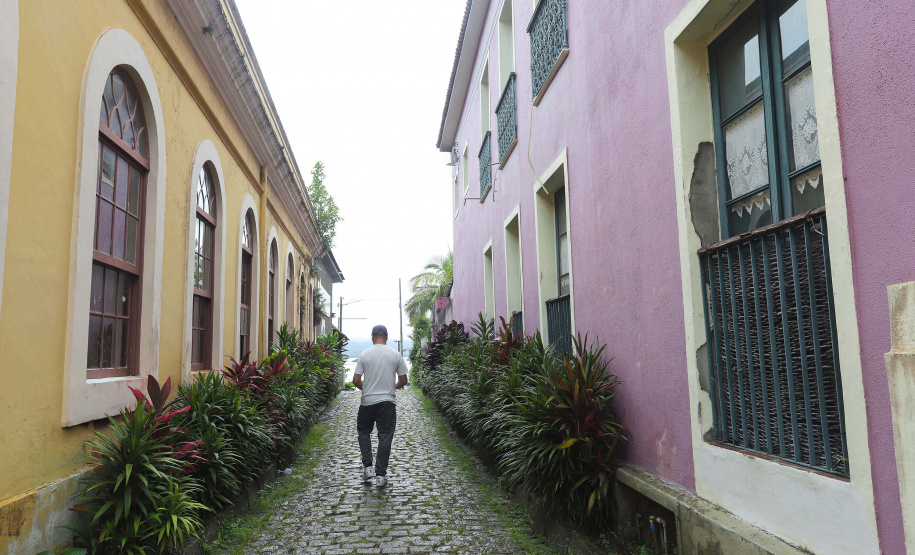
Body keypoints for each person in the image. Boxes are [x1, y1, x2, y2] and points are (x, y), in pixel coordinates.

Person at [352, 324, 408, 487]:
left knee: (364, 432)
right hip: (387, 402)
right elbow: (404, 380)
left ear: (372, 337)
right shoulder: (395, 354)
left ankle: (368, 467)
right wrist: (392, 388)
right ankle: (381, 476)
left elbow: (355, 380)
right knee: (385, 436)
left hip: (367, 402)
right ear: (387, 338)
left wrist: (366, 389)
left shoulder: (364, 354)